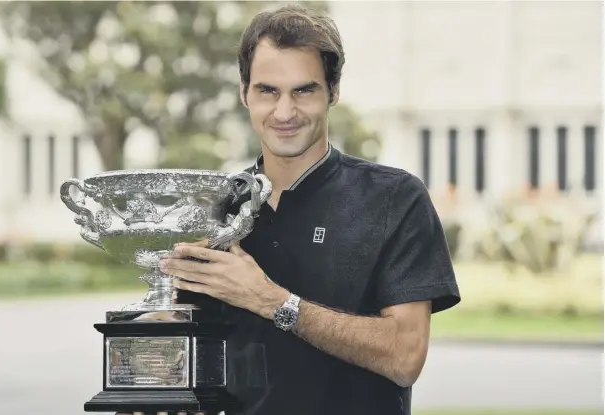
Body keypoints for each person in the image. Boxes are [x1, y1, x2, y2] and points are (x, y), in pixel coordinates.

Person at [121, 4, 460, 415]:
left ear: (332, 92)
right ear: (244, 92)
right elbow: (186, 346)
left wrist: (272, 301)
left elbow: (405, 358)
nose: (285, 112)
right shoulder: (209, 208)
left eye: (304, 90)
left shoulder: (394, 199)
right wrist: (147, 352)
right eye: (267, 90)